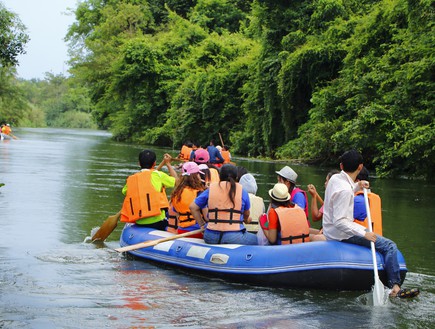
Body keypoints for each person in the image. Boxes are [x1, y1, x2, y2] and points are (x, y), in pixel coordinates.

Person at [322, 149, 418, 298]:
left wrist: (358, 186)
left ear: (341, 166)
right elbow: (340, 221)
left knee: (378, 240)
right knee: (390, 246)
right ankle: (395, 287)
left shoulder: (335, 179)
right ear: (360, 167)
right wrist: (364, 233)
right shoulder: (345, 190)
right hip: (341, 234)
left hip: (331, 230)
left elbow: (344, 191)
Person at [189, 164, 257, 245]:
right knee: (256, 239)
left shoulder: (211, 189)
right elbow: (246, 215)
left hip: (210, 236)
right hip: (234, 237)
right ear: (236, 178)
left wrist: (202, 225)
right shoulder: (242, 191)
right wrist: (247, 220)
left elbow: (193, 207)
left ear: (220, 176)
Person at [120, 150, 178, 230]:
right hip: (158, 222)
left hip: (139, 221)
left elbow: (125, 191)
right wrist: (168, 164)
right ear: (154, 163)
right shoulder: (158, 175)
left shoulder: (131, 179)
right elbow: (177, 182)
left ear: (139, 163)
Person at [170, 162, 206, 238]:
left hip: (181, 230)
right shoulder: (199, 193)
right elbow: (206, 216)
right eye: (198, 174)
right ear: (196, 176)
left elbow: (177, 215)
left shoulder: (177, 193)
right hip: (197, 231)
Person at [353, 167, 383, 236]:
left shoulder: (357, 200)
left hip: (363, 239)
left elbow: (341, 222)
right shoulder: (375, 198)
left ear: (357, 182)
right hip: (376, 240)